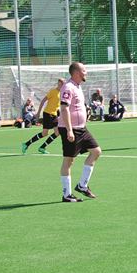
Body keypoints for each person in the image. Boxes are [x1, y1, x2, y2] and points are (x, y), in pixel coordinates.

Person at [57, 62, 102, 202]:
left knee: (96, 151)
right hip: (71, 130)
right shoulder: (68, 87)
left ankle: (82, 185)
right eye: (84, 70)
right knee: (69, 160)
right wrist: (69, 130)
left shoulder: (77, 86)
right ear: (76, 72)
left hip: (82, 128)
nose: (86, 72)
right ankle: (66, 194)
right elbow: (64, 108)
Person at [21, 79, 63, 154]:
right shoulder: (53, 91)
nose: (62, 85)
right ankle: (26, 144)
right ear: (58, 84)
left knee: (57, 132)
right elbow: (43, 101)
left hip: (54, 115)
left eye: (63, 84)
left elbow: (58, 105)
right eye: (61, 84)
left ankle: (42, 147)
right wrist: (38, 113)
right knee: (44, 133)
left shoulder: (62, 93)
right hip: (47, 114)